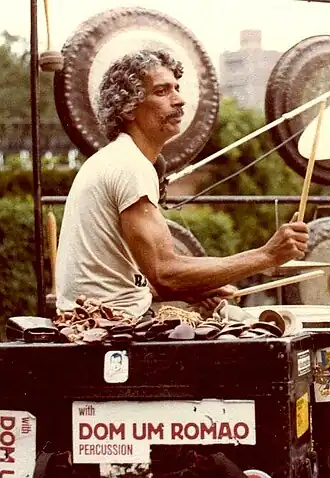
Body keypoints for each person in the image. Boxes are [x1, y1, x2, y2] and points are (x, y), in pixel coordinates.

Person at [55, 50, 309, 318]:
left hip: (99, 317)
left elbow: (140, 277)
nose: (179, 100)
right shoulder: (129, 166)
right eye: (162, 92)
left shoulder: (118, 158)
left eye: (176, 88)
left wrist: (194, 289)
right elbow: (165, 272)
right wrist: (266, 256)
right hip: (107, 329)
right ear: (128, 108)